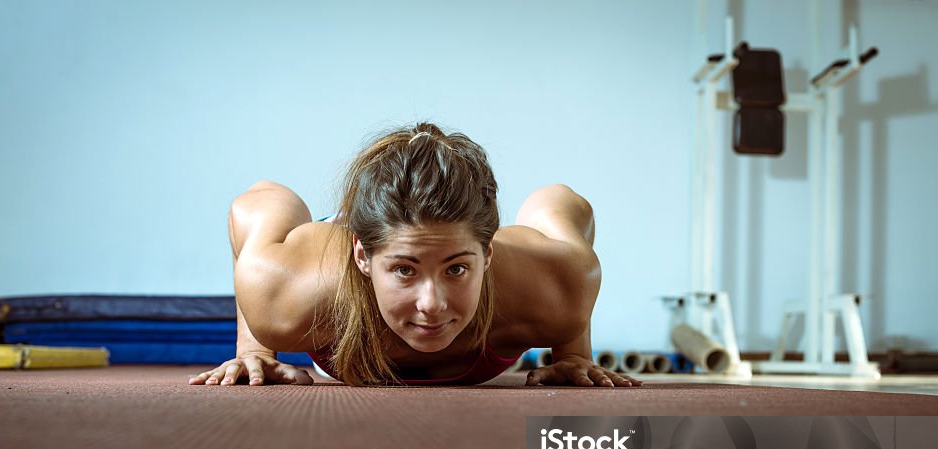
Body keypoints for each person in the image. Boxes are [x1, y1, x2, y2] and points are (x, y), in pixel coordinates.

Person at [188, 122, 641, 388]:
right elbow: (246, 211)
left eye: (457, 269)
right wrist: (255, 348)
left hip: (505, 264)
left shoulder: (556, 284)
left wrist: (573, 355)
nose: (433, 304)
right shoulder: (286, 291)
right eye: (405, 271)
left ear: (488, 253)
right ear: (363, 257)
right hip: (340, 272)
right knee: (271, 201)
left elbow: (570, 206)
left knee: (555, 201)